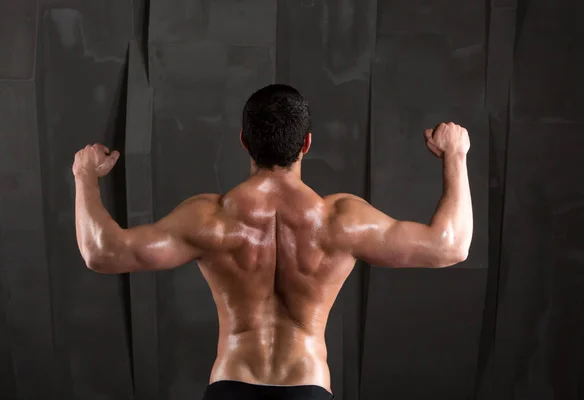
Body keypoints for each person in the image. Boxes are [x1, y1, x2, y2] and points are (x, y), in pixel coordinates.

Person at [73, 84, 473, 400]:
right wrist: (455, 155)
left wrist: (84, 176)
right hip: (307, 388)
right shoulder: (342, 221)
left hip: (231, 385)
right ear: (307, 144)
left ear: (244, 141)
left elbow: (102, 252)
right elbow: (450, 245)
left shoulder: (210, 218)